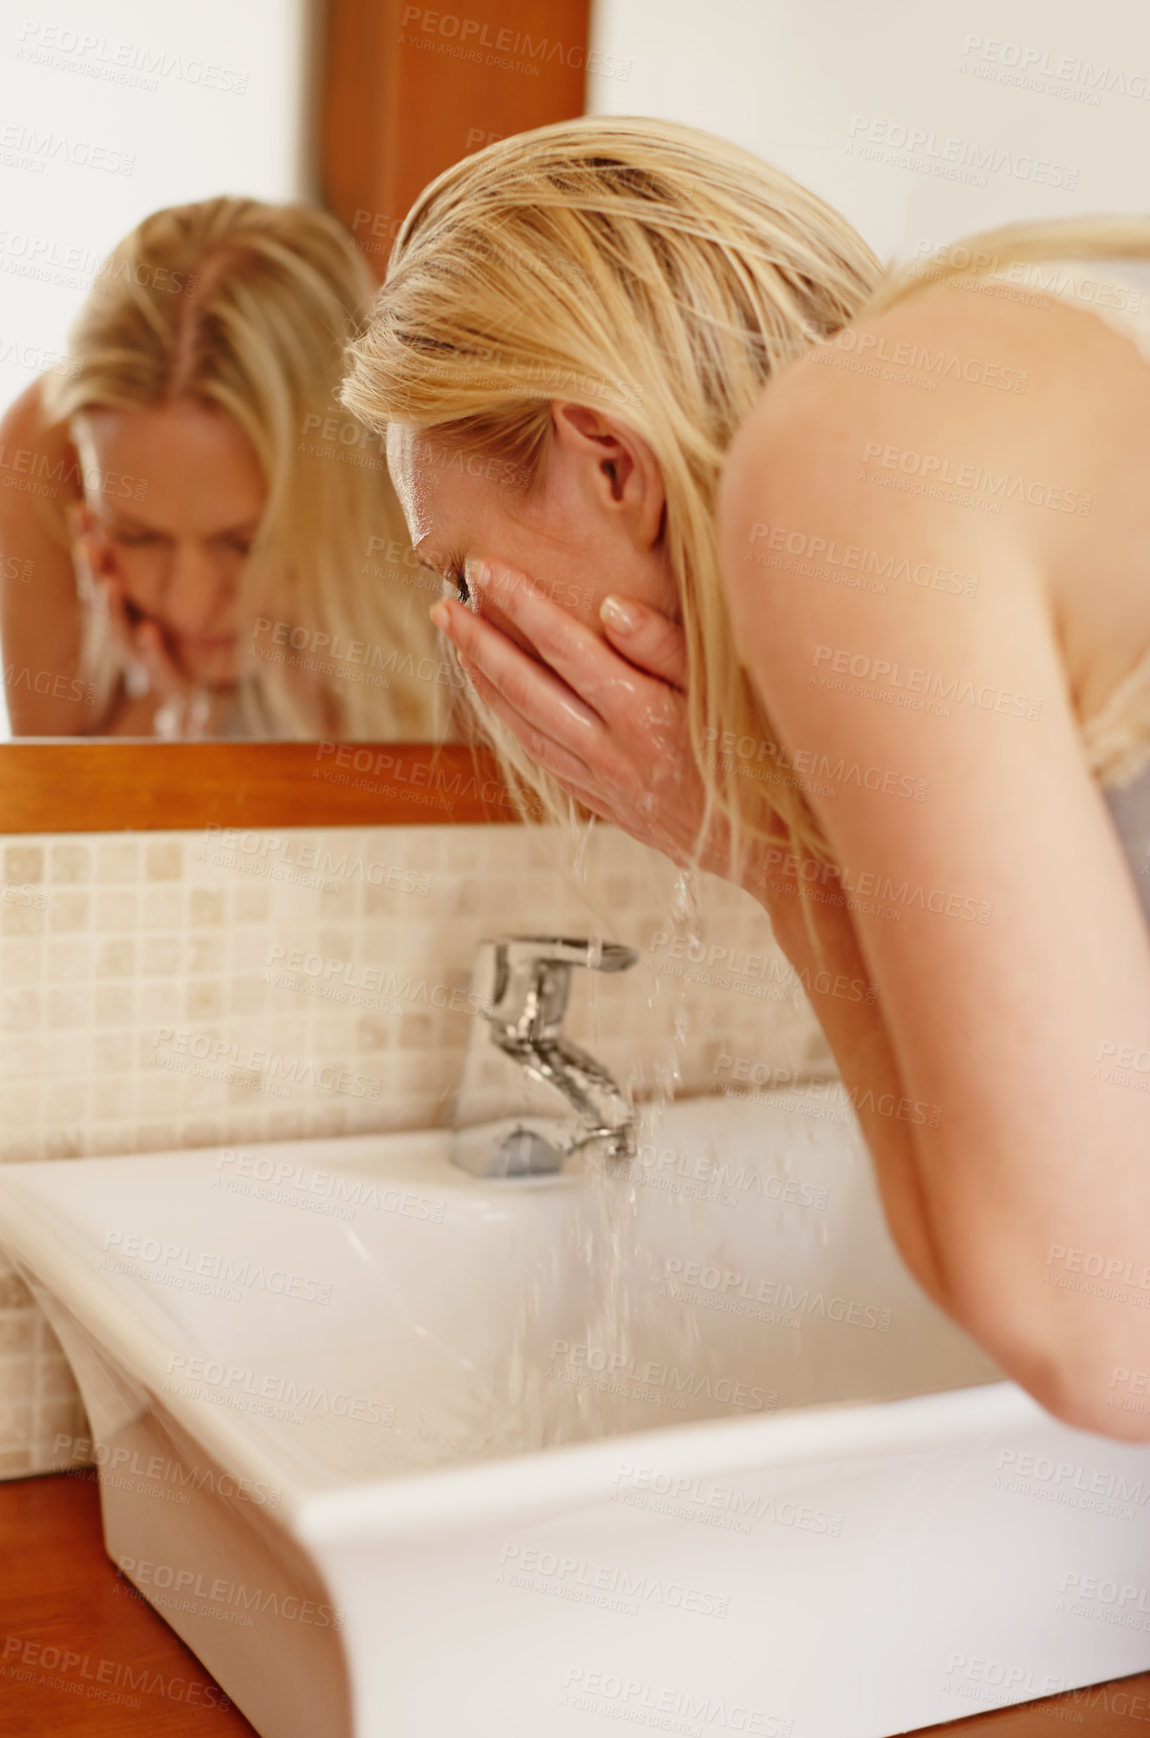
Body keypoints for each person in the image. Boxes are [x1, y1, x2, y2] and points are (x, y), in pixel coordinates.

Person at [342, 115, 1150, 1441]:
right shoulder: (986, 401)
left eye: (460, 571)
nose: (471, 645)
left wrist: (774, 859)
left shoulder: (855, 474)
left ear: (612, 463)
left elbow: (1097, 1329)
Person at [0, 196, 444, 738]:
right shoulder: (39, 454)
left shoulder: (434, 483)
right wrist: (176, 711)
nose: (188, 606)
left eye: (242, 543)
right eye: (136, 535)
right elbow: (60, 806)